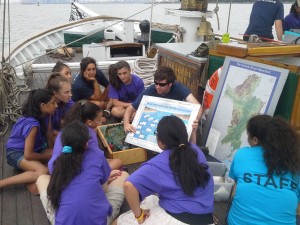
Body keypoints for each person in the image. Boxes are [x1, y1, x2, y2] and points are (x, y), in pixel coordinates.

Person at [113, 115, 214, 225]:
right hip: (206, 217)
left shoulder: (156, 164)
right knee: (151, 199)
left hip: (178, 218)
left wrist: (139, 215)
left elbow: (129, 186)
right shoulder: (195, 150)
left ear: (160, 140)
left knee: (118, 222)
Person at [36, 120, 128, 225]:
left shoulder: (56, 161)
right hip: (99, 221)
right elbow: (102, 186)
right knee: (123, 175)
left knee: (42, 179)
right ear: (86, 144)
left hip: (63, 222)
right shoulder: (97, 155)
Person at [227, 114, 300, 225]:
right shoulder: (295, 163)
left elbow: (235, 192)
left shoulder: (243, 154)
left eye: (248, 136)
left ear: (255, 140)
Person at [0, 89, 57, 189]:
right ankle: (2, 183)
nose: (56, 105)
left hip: (33, 150)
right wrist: (48, 157)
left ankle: (33, 168)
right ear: (43, 106)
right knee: (43, 171)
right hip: (16, 153)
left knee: (57, 154)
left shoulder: (46, 115)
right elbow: (28, 155)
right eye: (53, 103)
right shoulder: (32, 126)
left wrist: (52, 153)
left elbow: (49, 134)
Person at [48, 100, 122, 171]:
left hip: (55, 167)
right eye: (99, 120)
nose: (101, 122)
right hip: (75, 169)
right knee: (117, 162)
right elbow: (96, 158)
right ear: (89, 122)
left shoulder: (66, 128)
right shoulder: (88, 134)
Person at [123, 66, 202, 133]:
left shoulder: (178, 88)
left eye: (162, 84)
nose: (157, 86)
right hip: (159, 121)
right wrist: (126, 124)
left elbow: (198, 107)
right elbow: (130, 108)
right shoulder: (150, 90)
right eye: (156, 83)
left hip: (174, 120)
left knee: (193, 130)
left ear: (170, 84)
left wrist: (195, 120)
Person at [46, 73, 73, 137]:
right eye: (66, 92)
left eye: (70, 91)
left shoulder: (66, 100)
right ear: (55, 93)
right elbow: (49, 132)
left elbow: (76, 111)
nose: (70, 95)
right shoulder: (48, 107)